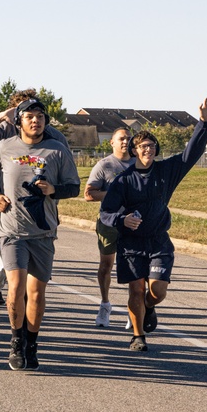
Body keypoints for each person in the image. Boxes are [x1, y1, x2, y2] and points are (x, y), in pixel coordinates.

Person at [101, 98, 207, 352]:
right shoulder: (123, 181)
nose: (148, 149)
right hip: (131, 243)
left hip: (158, 241)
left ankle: (150, 307)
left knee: (157, 290)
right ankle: (137, 336)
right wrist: (123, 220)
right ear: (134, 151)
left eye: (152, 145)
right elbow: (105, 213)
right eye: (143, 146)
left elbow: (191, 154)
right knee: (135, 291)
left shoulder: (166, 171)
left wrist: (203, 122)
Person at [0, 98, 81, 370]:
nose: (35, 120)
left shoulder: (57, 150)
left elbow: (73, 187)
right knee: (15, 287)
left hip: (43, 232)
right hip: (11, 229)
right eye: (29, 116)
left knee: (36, 294)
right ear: (19, 122)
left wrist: (53, 190)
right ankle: (16, 341)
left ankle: (32, 342)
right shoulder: (4, 148)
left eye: (40, 116)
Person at [84, 128, 133, 327]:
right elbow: (88, 194)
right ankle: (105, 305)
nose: (125, 142)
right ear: (111, 142)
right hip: (109, 221)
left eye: (129, 139)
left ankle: (134, 308)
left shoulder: (140, 163)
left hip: (134, 222)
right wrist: (114, 194)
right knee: (106, 266)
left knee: (134, 267)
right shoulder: (104, 165)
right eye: (121, 138)